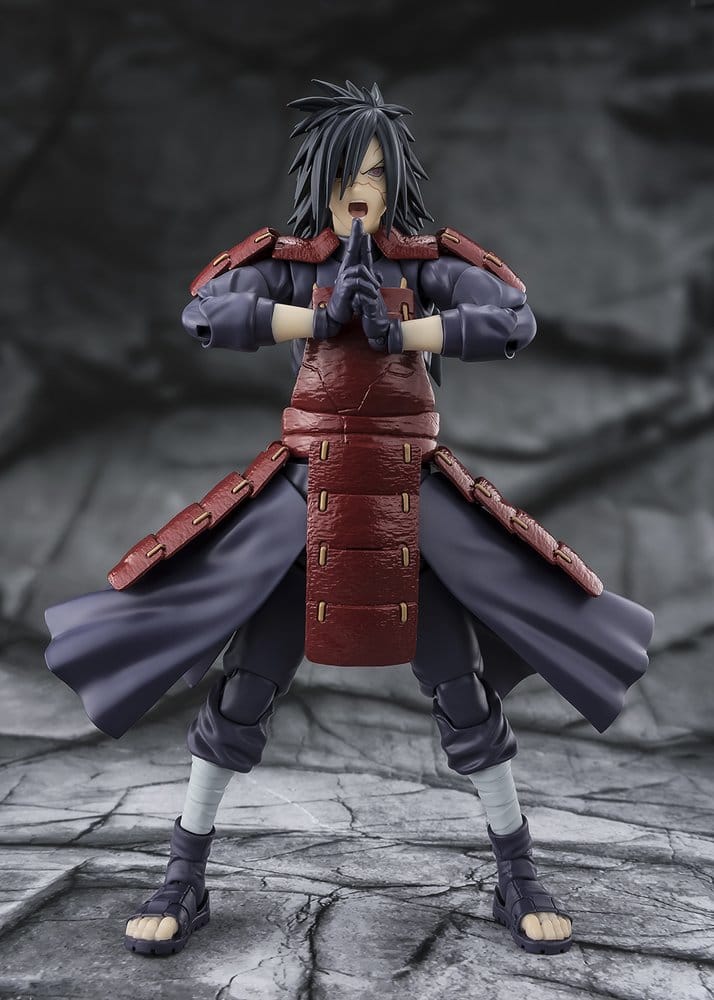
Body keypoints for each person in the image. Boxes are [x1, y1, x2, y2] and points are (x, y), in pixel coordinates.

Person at [44, 80, 654, 957]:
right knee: (244, 694)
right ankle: (182, 876)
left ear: (394, 177)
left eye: (373, 170)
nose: (359, 187)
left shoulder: (425, 262)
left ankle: (517, 874)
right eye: (344, 171)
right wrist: (317, 316)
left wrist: (406, 334)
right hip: (307, 505)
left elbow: (511, 316)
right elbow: (206, 309)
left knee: (464, 699)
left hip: (409, 504)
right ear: (319, 179)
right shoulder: (293, 260)